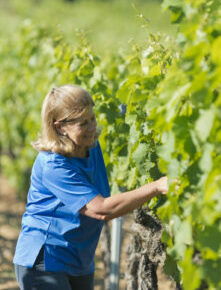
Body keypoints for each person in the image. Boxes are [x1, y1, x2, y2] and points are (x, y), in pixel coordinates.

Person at [13, 84, 171, 290]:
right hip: (45, 260)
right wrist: (157, 186)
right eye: (82, 123)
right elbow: (101, 209)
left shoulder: (89, 145)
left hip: (79, 260)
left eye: (92, 119)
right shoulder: (53, 165)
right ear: (60, 127)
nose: (91, 128)